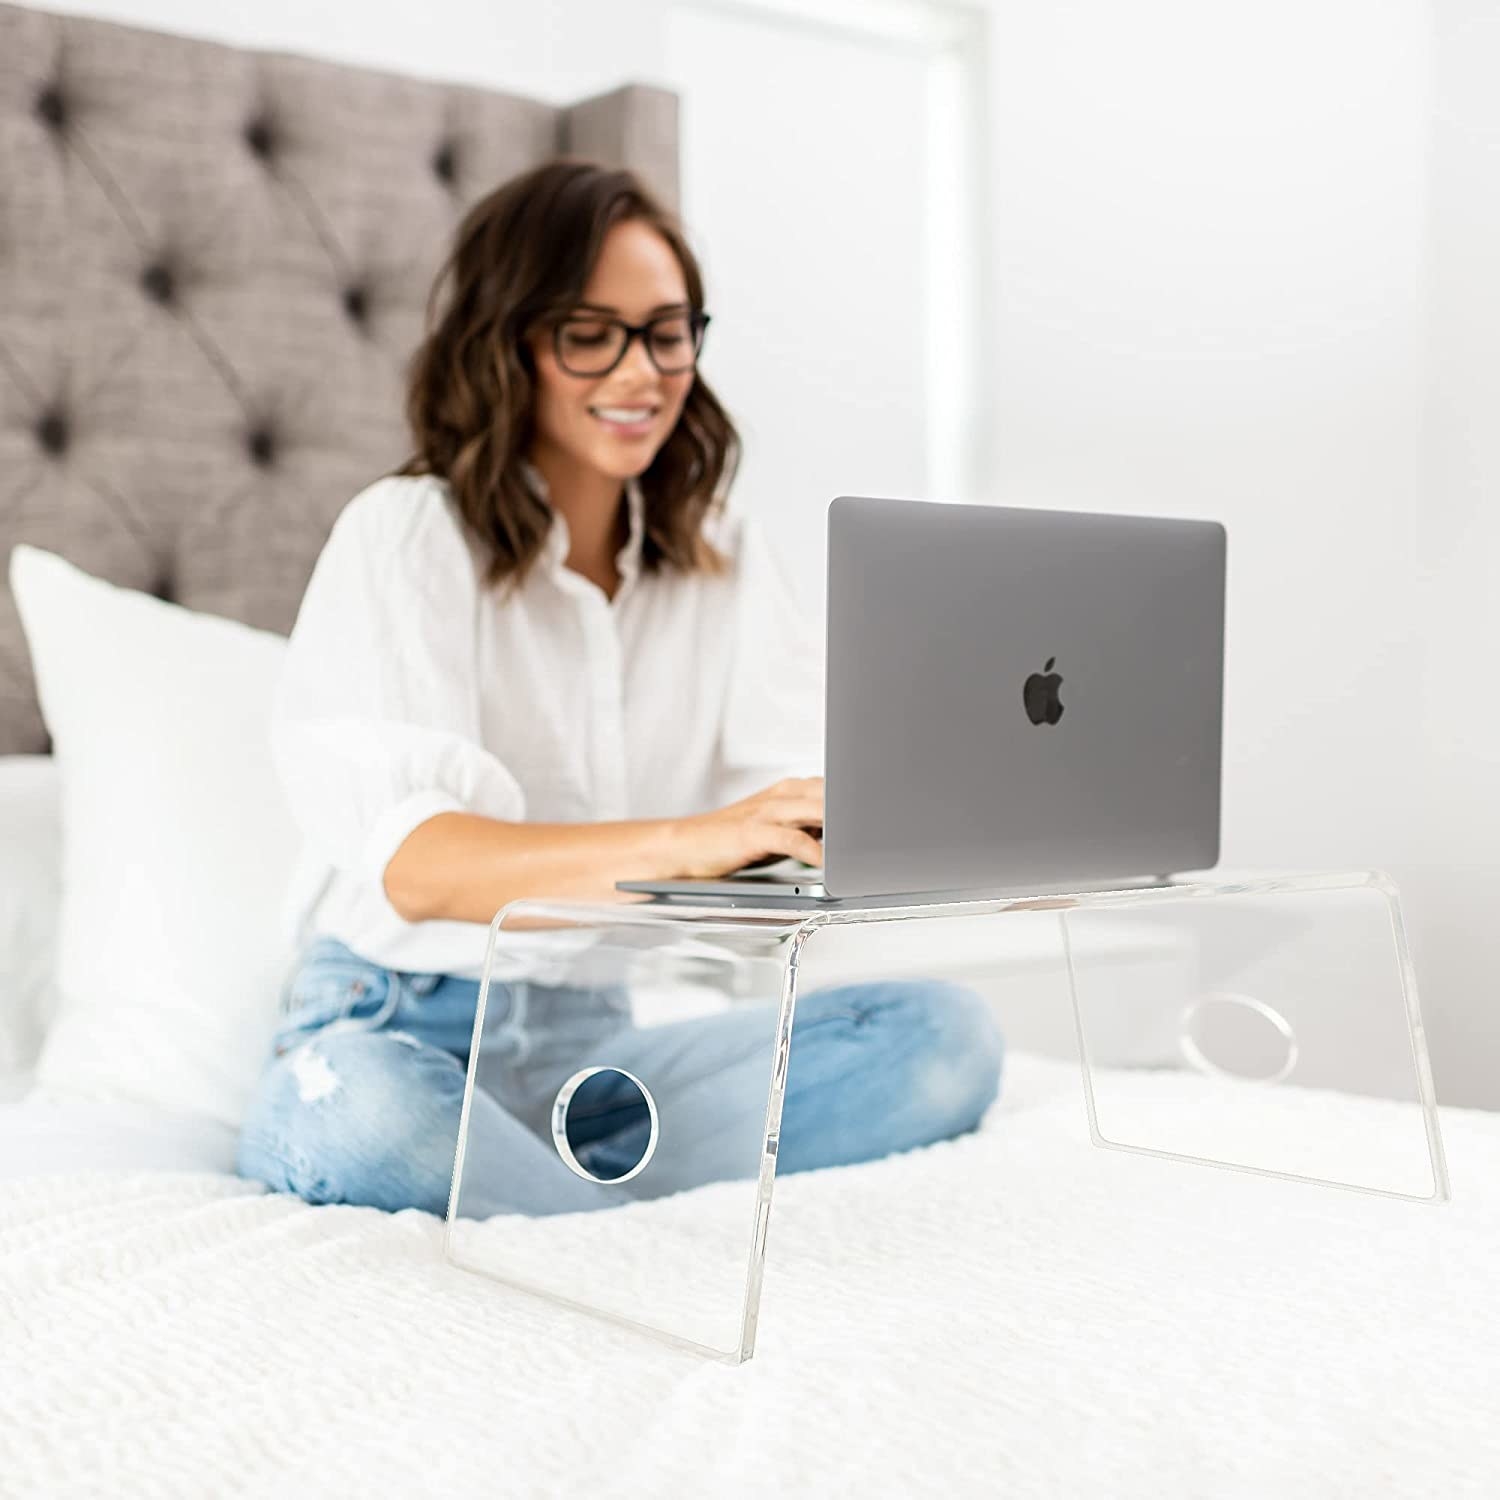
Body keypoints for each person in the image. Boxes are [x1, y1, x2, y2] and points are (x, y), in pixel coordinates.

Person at [235, 159, 1003, 1218]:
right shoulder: (404, 534)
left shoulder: (724, 556)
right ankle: (613, 1225)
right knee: (360, 1119)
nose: (641, 372)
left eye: (667, 331)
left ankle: (549, 1208)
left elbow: (782, 804)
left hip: (596, 1061)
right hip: (390, 1031)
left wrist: (892, 811)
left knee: (939, 1039)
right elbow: (422, 866)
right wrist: (692, 838)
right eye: (589, 333)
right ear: (509, 344)